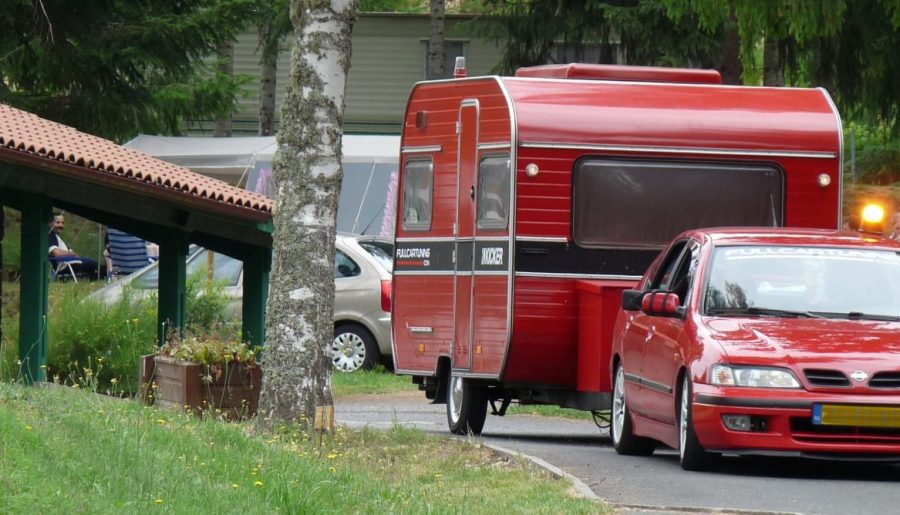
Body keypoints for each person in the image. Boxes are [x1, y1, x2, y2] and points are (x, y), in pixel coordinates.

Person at [48, 213, 105, 280]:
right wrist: (72, 254)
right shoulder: (51, 236)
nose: (61, 225)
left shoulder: (57, 237)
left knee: (96, 264)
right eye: (58, 222)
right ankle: (100, 280)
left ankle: (102, 278)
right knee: (94, 265)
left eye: (62, 223)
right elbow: (56, 253)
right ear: (51, 223)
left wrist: (73, 253)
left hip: (70, 262)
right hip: (65, 266)